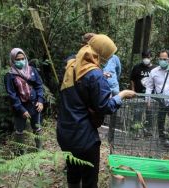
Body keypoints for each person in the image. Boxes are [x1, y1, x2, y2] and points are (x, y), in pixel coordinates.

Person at [57, 34, 135, 188]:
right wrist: (122, 95)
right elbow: (105, 106)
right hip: (84, 137)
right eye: (108, 55)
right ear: (101, 53)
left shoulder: (71, 65)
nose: (108, 59)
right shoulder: (94, 74)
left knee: (72, 171)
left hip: (65, 133)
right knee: (89, 178)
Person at [4, 48, 45, 153]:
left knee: (37, 127)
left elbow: (39, 85)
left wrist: (40, 100)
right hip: (19, 107)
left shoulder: (32, 70)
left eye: (23, 58)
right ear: (13, 60)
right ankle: (22, 153)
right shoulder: (10, 75)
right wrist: (21, 109)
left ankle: (39, 149)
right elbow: (12, 95)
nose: (21, 61)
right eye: (18, 59)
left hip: (34, 103)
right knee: (20, 130)